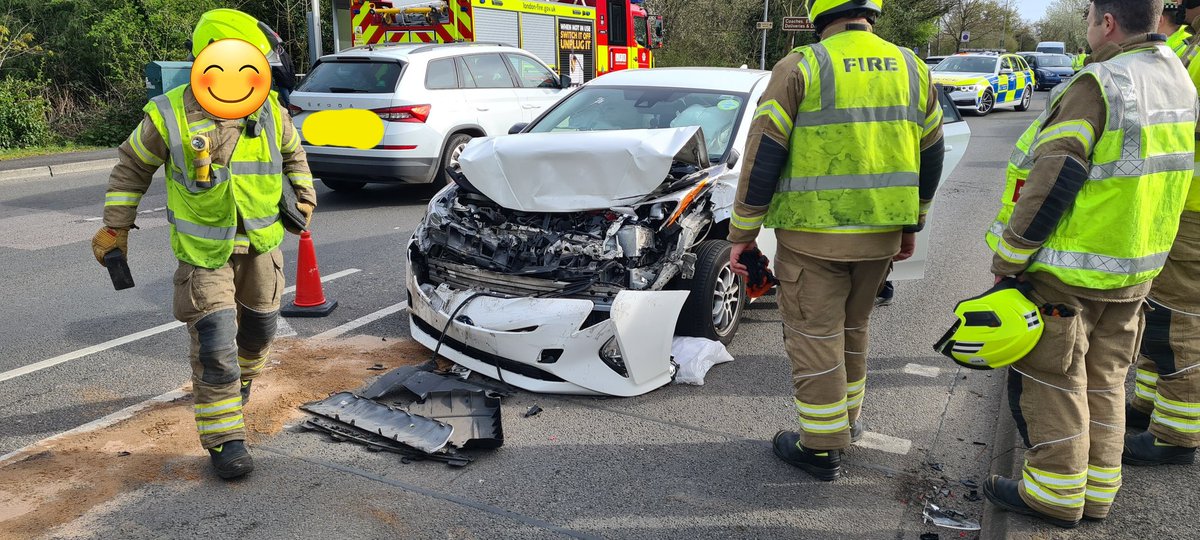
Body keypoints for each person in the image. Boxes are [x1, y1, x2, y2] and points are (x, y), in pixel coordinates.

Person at [981, 0, 1196, 527]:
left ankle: (1054, 491)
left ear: (1107, 22)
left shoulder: (1101, 84)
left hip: (1071, 269)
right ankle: (1098, 491)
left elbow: (1052, 179)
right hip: (1136, 267)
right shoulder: (1179, 80)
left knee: (1054, 378)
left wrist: (1010, 259)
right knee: (1105, 381)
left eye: (1088, 21)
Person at [90, 8, 317, 480]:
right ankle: (225, 441)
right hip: (203, 254)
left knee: (258, 335)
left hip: (260, 247)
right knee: (215, 344)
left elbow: (294, 156)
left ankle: (241, 384)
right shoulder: (169, 113)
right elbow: (131, 169)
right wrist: (115, 229)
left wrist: (302, 198)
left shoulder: (270, 109)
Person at [727, 0, 945, 481]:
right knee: (853, 328)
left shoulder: (802, 65)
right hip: (882, 236)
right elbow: (932, 153)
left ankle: (822, 447)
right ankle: (848, 422)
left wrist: (742, 233)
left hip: (814, 237)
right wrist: (913, 223)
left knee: (813, 337)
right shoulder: (912, 66)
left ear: (816, 15)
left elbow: (764, 154)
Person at [1124, 0, 1200, 467]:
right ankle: (1149, 405)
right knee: (1161, 309)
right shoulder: (1189, 48)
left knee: (1181, 318)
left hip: (1192, 206)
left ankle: (1176, 435)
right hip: (1180, 200)